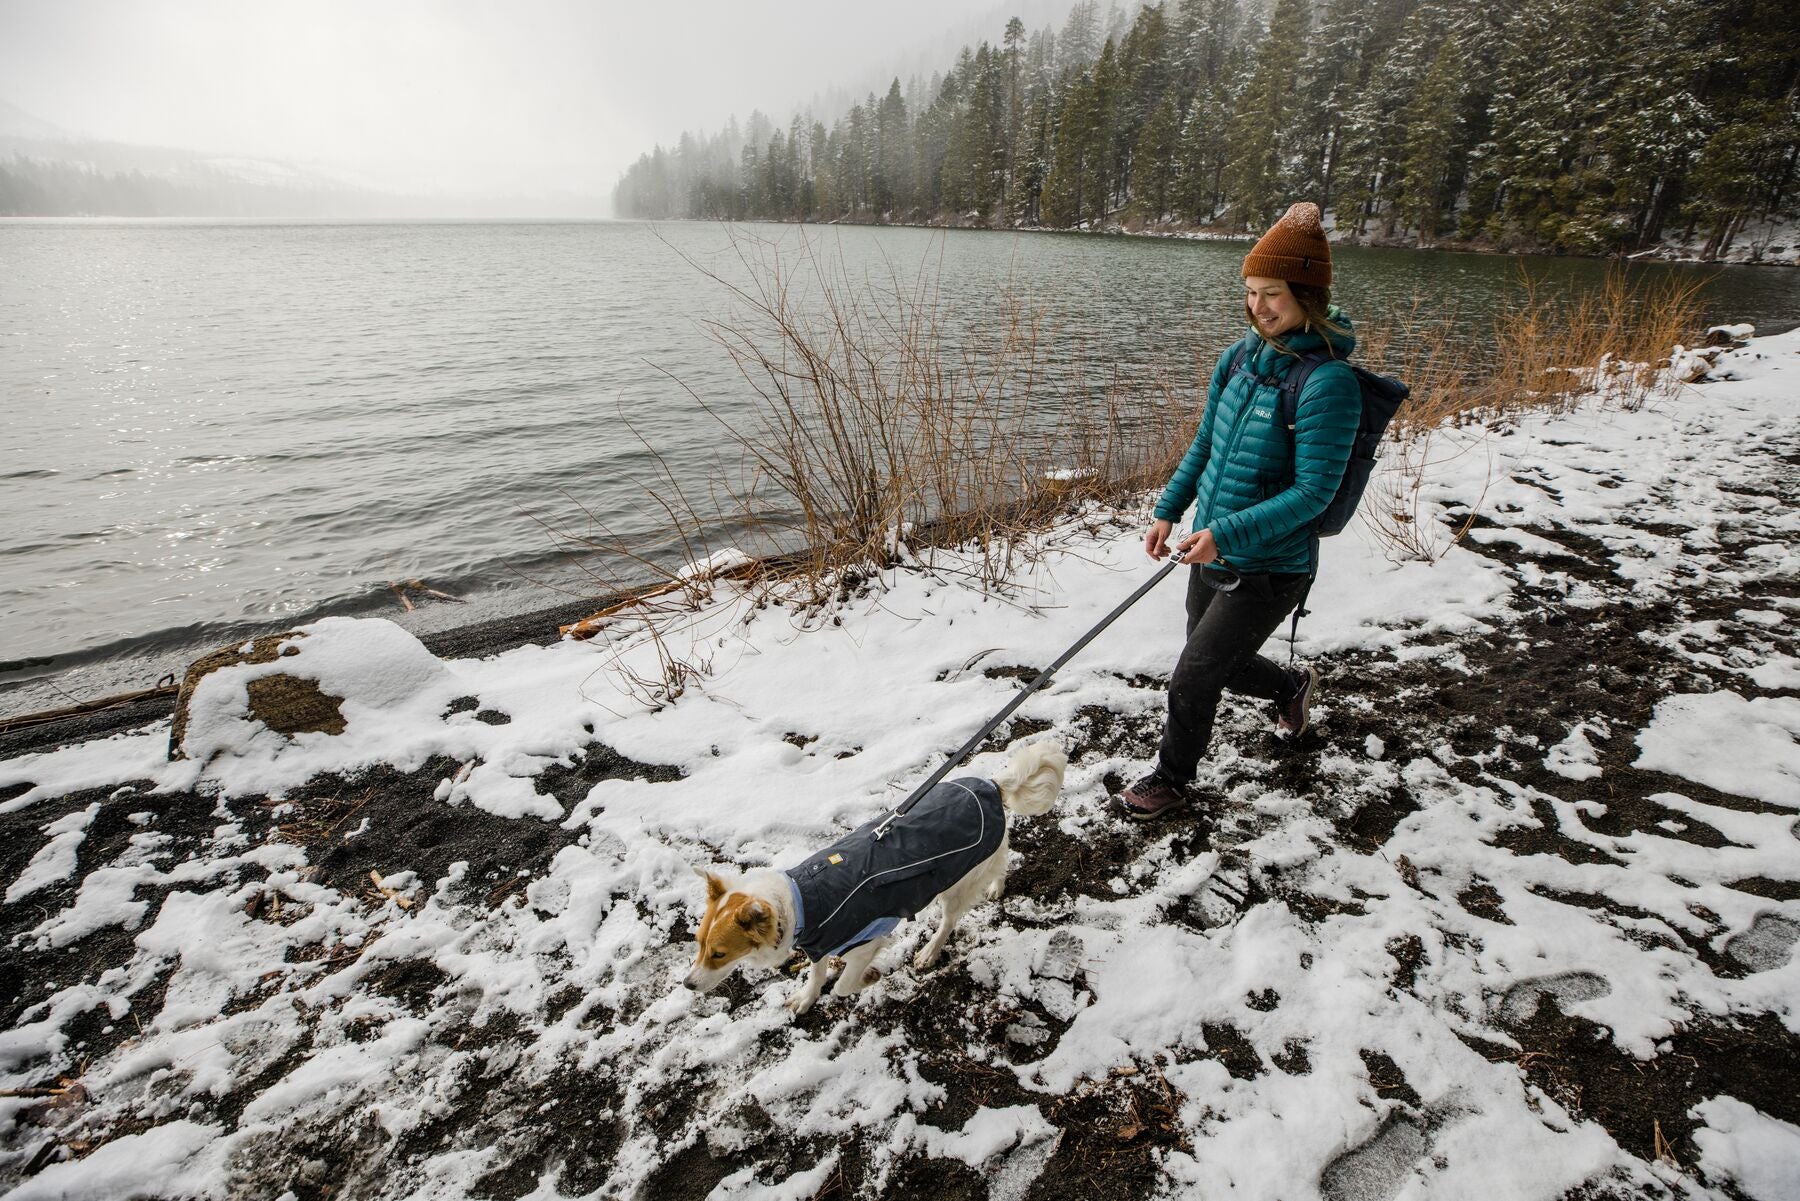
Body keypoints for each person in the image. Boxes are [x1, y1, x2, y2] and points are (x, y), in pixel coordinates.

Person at [1117, 201, 1362, 821]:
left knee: (1194, 674)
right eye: (1251, 292)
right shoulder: (1238, 358)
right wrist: (1169, 509)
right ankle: (1290, 686)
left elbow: (1314, 494)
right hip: (1213, 547)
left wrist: (1224, 534)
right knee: (1215, 663)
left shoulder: (1330, 383)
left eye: (1272, 293)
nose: (1259, 306)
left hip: (1272, 566)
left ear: (1308, 294)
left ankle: (1171, 781)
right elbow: (1206, 443)